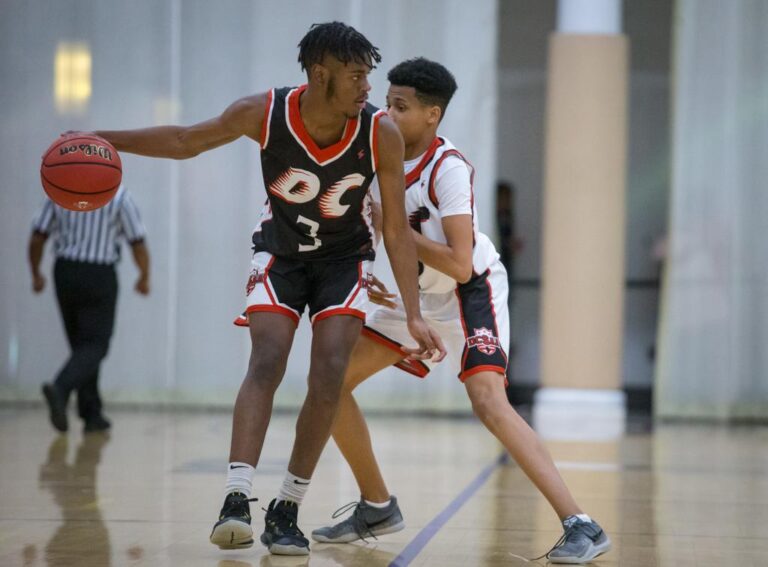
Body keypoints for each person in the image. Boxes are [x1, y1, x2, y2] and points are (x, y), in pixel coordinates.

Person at [89, 22, 444, 557]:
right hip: (279, 254)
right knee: (268, 360)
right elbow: (187, 141)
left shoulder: (379, 134)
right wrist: (103, 140)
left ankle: (287, 508)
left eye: (368, 75)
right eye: (355, 76)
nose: (367, 87)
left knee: (328, 375)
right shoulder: (263, 112)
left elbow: (395, 228)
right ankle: (235, 498)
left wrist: (413, 314)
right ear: (320, 74)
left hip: (343, 262)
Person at [310, 58, 612, 564]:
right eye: (386, 102)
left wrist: (396, 234)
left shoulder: (447, 168)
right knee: (329, 382)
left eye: (400, 107)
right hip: (414, 295)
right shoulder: (370, 155)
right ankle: (377, 505)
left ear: (432, 114)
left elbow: (459, 260)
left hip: (469, 290)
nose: (387, 113)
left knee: (488, 401)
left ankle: (581, 523)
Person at [29, 185, 150, 434]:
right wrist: (144, 275)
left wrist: (36, 273)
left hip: (65, 272)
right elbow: (136, 240)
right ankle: (60, 388)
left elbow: (38, 236)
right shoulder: (120, 196)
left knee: (81, 346)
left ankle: (91, 412)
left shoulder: (59, 190)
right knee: (96, 345)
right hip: (99, 274)